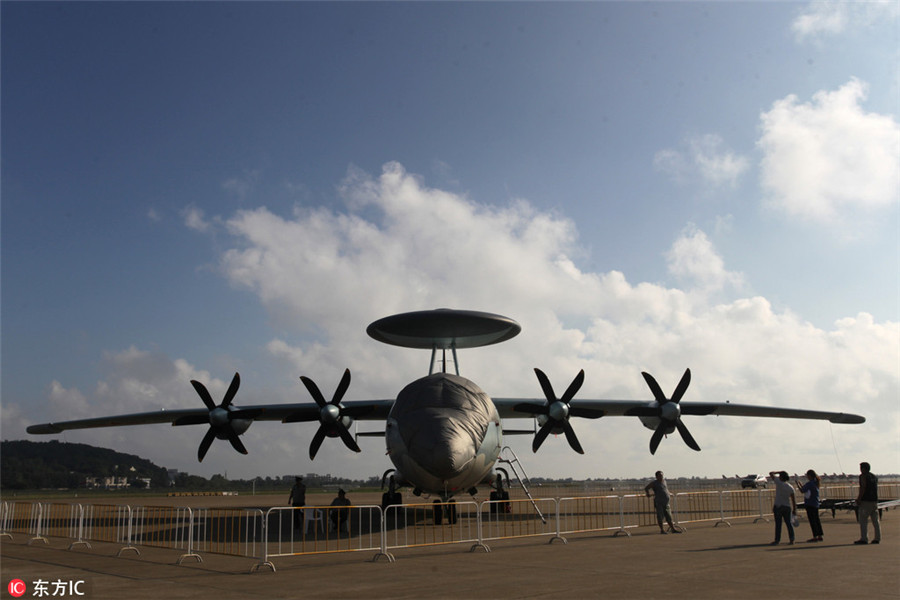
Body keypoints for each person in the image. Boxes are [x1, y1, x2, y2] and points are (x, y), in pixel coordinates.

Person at [854, 462, 881, 545]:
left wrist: (859, 499)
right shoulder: (874, 477)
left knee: (863, 520)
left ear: (863, 468)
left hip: (866, 501)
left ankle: (864, 538)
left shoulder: (863, 476)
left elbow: (863, 487)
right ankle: (877, 538)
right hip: (874, 501)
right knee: (875, 521)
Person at [769, 471, 796, 545]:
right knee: (789, 524)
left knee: (778, 525)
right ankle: (792, 539)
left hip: (778, 506)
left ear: (781, 477)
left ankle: (777, 540)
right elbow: (793, 499)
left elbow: (771, 473)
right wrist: (794, 509)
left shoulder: (779, 483)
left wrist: (779, 471)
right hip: (787, 506)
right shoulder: (790, 487)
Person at [797, 469, 823, 542]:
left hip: (810, 504)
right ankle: (820, 535)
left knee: (812, 521)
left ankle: (815, 536)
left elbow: (802, 490)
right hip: (815, 503)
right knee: (817, 520)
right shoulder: (815, 483)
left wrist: (798, 485)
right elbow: (805, 489)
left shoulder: (810, 483)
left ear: (809, 476)